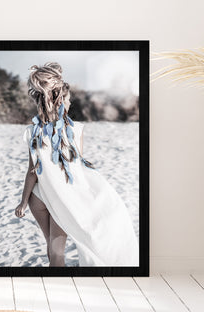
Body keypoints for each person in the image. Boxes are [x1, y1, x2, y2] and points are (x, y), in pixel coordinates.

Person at [14, 62, 139, 267]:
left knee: (53, 251)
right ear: (61, 101)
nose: (71, 103)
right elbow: (76, 168)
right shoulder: (76, 130)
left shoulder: (32, 132)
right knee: (57, 252)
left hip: (37, 196)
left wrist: (23, 202)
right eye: (69, 99)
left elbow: (32, 171)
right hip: (59, 198)